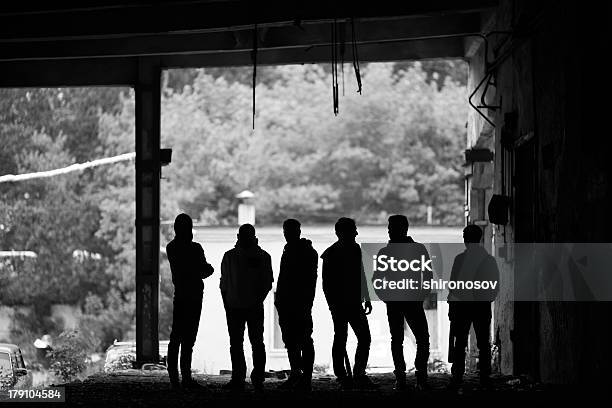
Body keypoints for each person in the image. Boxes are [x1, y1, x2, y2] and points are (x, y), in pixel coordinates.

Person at [373, 215, 432, 391]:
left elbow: (378, 280)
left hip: (395, 302)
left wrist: (386, 297)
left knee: (397, 339)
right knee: (422, 339)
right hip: (412, 301)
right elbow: (427, 277)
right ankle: (420, 376)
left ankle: (401, 377)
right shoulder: (418, 249)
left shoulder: (386, 252)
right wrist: (420, 295)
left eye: (391, 227)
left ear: (402, 229)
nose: (389, 230)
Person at [321, 217, 376, 390]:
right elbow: (327, 283)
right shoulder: (333, 253)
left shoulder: (349, 250)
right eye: (353, 230)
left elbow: (361, 274)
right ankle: (350, 374)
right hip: (345, 303)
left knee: (347, 338)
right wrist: (333, 304)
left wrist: (366, 296)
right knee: (353, 338)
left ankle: (348, 374)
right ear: (343, 233)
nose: (356, 233)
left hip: (349, 303)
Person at [220, 224, 273, 391]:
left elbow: (224, 285)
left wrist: (227, 305)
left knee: (236, 344)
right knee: (257, 343)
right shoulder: (264, 256)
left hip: (234, 306)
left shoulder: (229, 256)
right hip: (255, 306)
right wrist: (258, 300)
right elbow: (267, 283)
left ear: (238, 236)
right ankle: (258, 378)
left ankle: (238, 378)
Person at [447, 224, 500, 391]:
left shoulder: (460, 260)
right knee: (483, 343)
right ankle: (484, 377)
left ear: (465, 240)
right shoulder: (488, 260)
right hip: (481, 307)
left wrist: (452, 305)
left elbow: (453, 285)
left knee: (460, 342)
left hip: (462, 307)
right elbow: (494, 285)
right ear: (480, 239)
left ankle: (457, 375)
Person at [166, 213, 214, 390]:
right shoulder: (196, 248)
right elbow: (205, 270)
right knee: (188, 339)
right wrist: (205, 269)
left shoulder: (171, 247)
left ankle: (174, 379)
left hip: (180, 296)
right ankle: (185, 378)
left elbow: (190, 269)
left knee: (176, 337)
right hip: (194, 296)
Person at [274, 219, 318, 391]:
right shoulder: (295, 250)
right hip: (291, 303)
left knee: (301, 340)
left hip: (298, 303)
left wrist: (305, 301)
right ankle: (299, 376)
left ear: (298, 232)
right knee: (294, 340)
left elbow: (307, 281)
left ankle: (302, 377)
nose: (286, 234)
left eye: (289, 231)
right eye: (286, 231)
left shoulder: (302, 252)